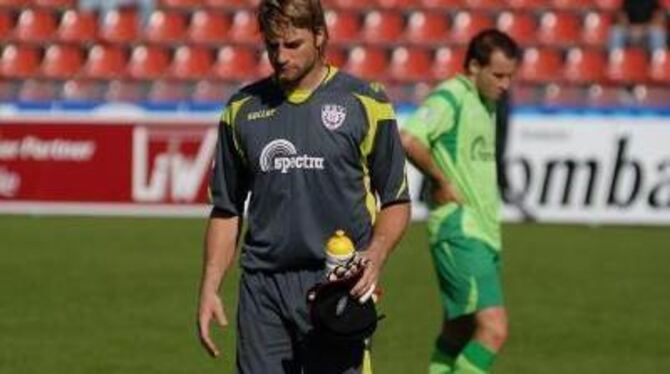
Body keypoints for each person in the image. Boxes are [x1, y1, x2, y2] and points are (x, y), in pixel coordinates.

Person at [196, 1, 411, 373]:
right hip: (262, 289)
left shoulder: (366, 102)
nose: (280, 57)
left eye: (292, 45)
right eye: (272, 46)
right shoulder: (241, 110)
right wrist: (210, 286)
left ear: (320, 36)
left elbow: (395, 199)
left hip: (336, 285)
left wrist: (375, 254)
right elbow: (227, 209)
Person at [400, 29, 521, 374]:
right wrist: (441, 179)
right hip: (460, 228)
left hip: (483, 231)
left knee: (460, 328)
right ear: (472, 66)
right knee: (494, 330)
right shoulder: (452, 96)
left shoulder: (487, 103)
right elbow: (409, 138)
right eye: (498, 75)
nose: (505, 84)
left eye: (510, 76)